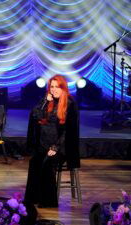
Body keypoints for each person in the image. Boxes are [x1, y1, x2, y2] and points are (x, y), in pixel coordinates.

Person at [24, 75, 80, 208]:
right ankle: (32, 199)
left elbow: (69, 131)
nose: (54, 90)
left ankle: (48, 201)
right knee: (34, 162)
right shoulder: (47, 101)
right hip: (44, 145)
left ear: (63, 88)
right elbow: (35, 115)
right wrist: (44, 101)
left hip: (62, 147)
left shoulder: (70, 104)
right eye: (52, 87)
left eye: (57, 87)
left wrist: (55, 147)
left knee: (47, 163)